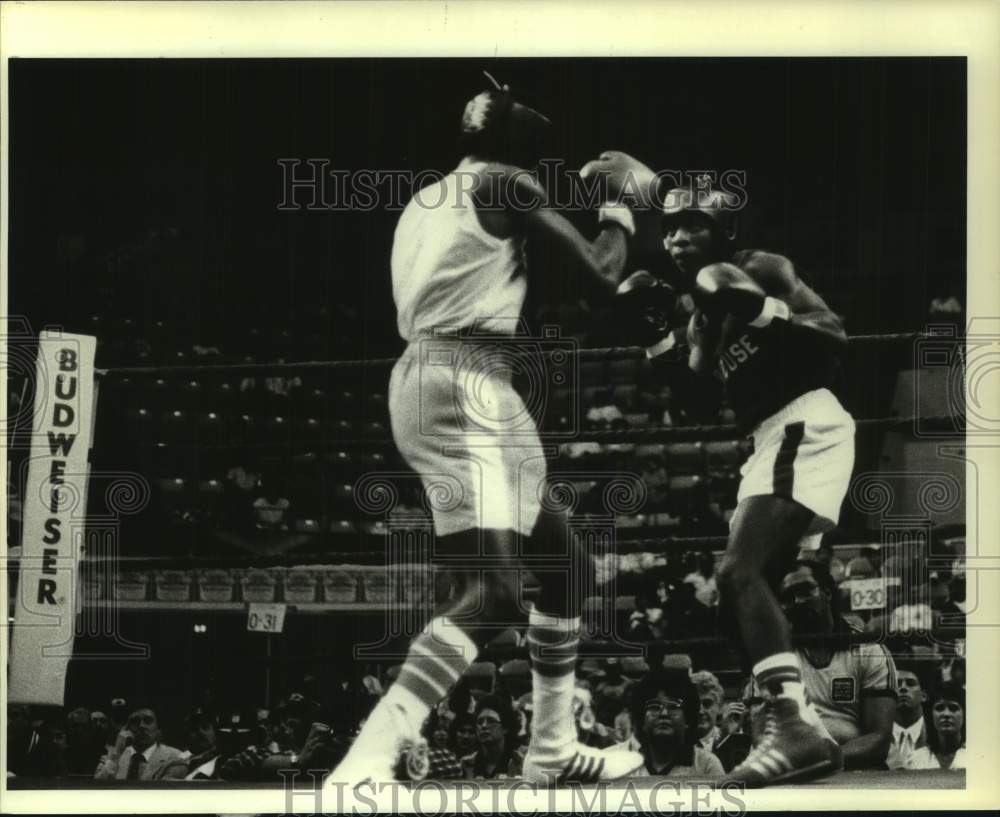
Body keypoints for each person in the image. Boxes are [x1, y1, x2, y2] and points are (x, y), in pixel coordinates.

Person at [327, 77, 644, 787]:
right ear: (514, 141)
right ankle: (370, 755)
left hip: (445, 378)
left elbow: (498, 285)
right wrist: (621, 203)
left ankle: (553, 748)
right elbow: (600, 273)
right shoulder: (506, 182)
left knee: (567, 568)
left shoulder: (426, 199)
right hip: (465, 384)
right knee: (494, 591)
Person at [610, 167, 856, 786]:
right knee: (736, 604)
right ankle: (808, 730)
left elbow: (835, 334)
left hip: (804, 420)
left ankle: (791, 727)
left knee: (737, 572)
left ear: (723, 231)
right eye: (670, 230)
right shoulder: (699, 316)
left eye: (693, 226)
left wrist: (765, 312)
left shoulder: (762, 267)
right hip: (767, 440)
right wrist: (655, 341)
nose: (677, 239)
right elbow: (697, 399)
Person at [749, 561, 896, 771]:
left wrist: (824, 759)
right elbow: (762, 737)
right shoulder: (772, 656)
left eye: (805, 591)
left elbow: (879, 738)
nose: (798, 601)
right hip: (794, 771)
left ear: (827, 592)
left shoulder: (868, 649)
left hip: (854, 770)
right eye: (788, 598)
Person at [616, 668, 724, 778]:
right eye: (654, 707)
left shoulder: (706, 764)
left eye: (673, 706)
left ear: (687, 719)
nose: (664, 713)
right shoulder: (615, 761)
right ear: (642, 719)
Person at [94, 706, 186, 781]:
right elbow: (96, 789)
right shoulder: (111, 757)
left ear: (158, 729)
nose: (141, 726)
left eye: (148, 721)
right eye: (135, 722)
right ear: (127, 729)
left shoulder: (175, 757)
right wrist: (117, 753)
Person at [690, 670, 751, 773]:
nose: (700, 711)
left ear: (719, 707)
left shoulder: (730, 738)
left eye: (707, 703)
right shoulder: (676, 740)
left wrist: (724, 735)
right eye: (695, 704)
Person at [906, 682, 966, 770]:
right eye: (939, 708)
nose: (946, 714)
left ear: (964, 714)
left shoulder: (976, 756)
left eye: (953, 708)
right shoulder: (916, 760)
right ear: (931, 715)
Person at [886, 668, 929, 770]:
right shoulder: (878, 735)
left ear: (923, 696)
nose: (903, 688)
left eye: (910, 684)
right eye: (897, 684)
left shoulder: (936, 733)